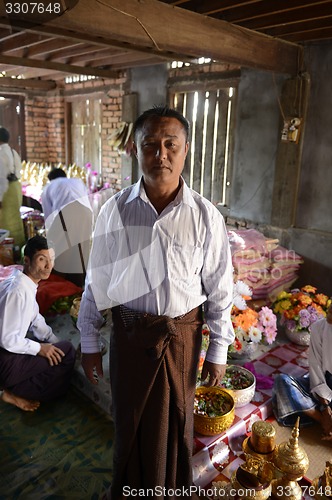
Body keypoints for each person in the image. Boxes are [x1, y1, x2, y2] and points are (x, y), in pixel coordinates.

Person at [77, 105, 235, 497]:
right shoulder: (114, 211)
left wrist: (218, 348)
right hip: (130, 337)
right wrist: (90, 342)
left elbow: (219, 287)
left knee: (175, 423)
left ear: (185, 151)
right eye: (151, 144)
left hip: (180, 339)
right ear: (135, 149)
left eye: (170, 144)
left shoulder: (204, 215)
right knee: (129, 422)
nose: (160, 154)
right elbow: (97, 281)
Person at [0, 235, 76, 412]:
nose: (49, 266)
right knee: (67, 354)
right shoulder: (18, 292)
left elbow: (36, 320)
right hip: (4, 359)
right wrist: (40, 349)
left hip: (6, 357)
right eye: (42, 260)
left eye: (52, 260)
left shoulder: (23, 283)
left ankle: (12, 386)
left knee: (58, 348)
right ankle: (13, 390)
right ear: (27, 260)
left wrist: (52, 342)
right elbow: (7, 340)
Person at [272, 299, 332, 440]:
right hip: (322, 387)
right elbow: (316, 368)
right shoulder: (320, 328)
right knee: (283, 381)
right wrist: (324, 409)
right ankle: (322, 420)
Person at [41, 167, 93, 287]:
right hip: (86, 215)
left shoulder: (48, 187)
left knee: (60, 252)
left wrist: (48, 234)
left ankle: (61, 286)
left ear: (50, 179)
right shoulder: (77, 181)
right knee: (80, 249)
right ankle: (79, 285)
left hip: (65, 214)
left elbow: (48, 216)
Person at [0, 127, 25, 249]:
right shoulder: (13, 151)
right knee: (15, 218)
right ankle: (19, 246)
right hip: (16, 187)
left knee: (6, 221)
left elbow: (1, 179)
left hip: (6, 190)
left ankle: (8, 250)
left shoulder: (1, 153)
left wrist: (0, 198)